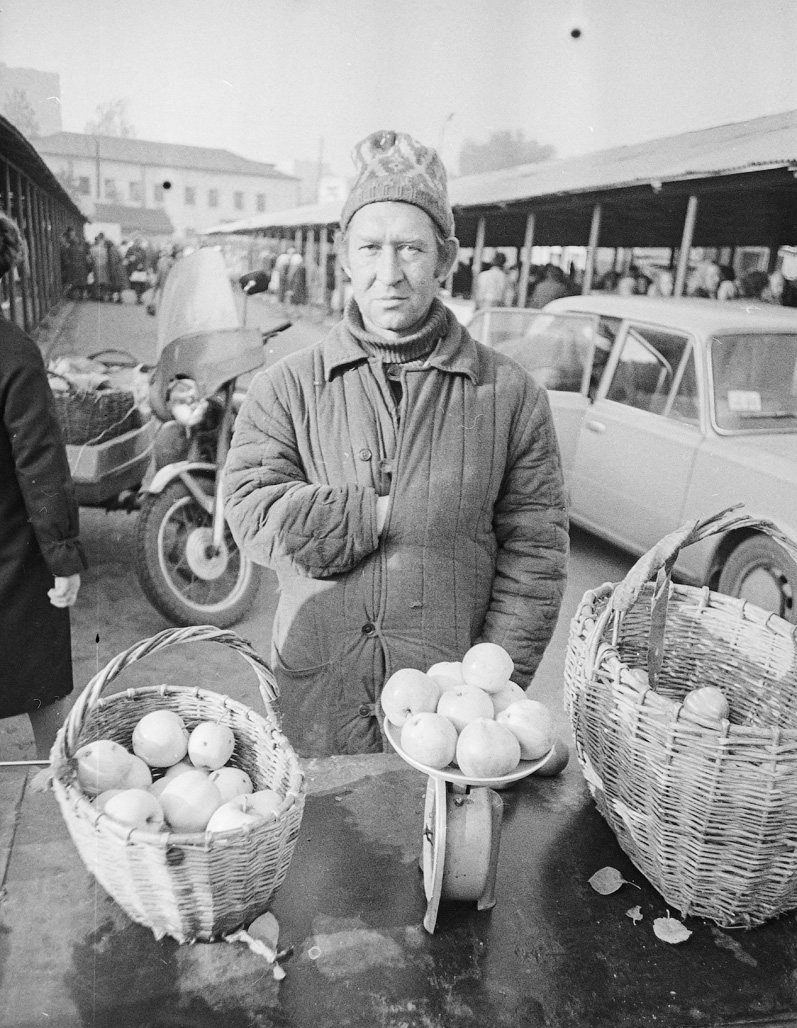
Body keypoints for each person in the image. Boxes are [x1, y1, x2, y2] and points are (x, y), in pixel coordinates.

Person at [223, 129, 568, 757]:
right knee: (318, 849)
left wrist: (490, 689)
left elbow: (535, 558)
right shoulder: (289, 387)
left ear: (446, 259)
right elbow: (251, 510)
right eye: (370, 247)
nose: (390, 274)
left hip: (447, 718)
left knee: (435, 854)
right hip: (317, 693)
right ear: (343, 257)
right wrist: (371, 513)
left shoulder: (510, 395)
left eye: (410, 248)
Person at [0, 214, 85, 759]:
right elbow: (41, 460)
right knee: (39, 676)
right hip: (10, 545)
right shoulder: (12, 349)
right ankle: (60, 798)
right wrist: (63, 553)